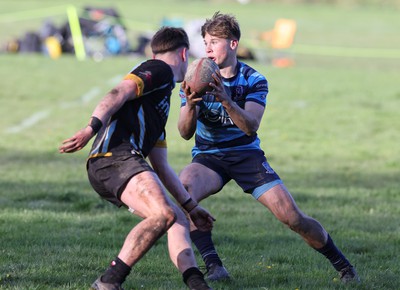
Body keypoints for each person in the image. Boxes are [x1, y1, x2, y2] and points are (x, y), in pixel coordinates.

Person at [178, 12, 360, 284]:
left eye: (214, 41)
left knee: (292, 217)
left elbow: (250, 126)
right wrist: (191, 105)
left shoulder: (254, 80)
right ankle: (215, 266)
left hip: (246, 155)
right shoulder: (195, 77)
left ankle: (344, 267)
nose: (207, 48)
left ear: (232, 44)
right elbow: (184, 133)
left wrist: (226, 100)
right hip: (209, 157)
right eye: (205, 41)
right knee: (185, 195)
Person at [59, 26, 215, 290]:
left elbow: (162, 166)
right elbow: (118, 92)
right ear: (184, 53)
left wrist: (191, 207)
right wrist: (90, 128)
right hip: (115, 157)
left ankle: (197, 283)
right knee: (164, 214)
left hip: (114, 164)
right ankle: (109, 281)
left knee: (175, 218)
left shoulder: (157, 103)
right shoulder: (160, 70)